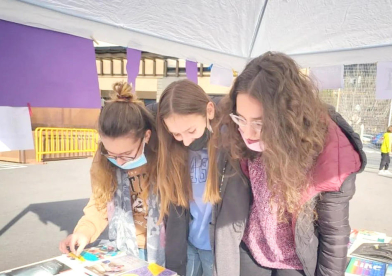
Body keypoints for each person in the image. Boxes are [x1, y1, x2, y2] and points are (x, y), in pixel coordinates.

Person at [220, 52, 366, 276]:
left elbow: (334, 235)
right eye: (241, 119)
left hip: (298, 259)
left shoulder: (329, 151)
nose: (247, 134)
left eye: (259, 123)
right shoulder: (240, 139)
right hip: (253, 249)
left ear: (287, 118)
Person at [59, 82, 164, 265]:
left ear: (146, 137)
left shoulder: (164, 157)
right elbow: (99, 203)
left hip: (164, 249)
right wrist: (84, 232)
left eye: (126, 154)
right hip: (123, 248)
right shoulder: (103, 161)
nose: (120, 161)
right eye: (112, 155)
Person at [156, 80, 251, 276]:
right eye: (176, 134)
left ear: (209, 111)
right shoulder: (175, 151)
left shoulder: (230, 146)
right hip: (188, 243)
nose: (187, 140)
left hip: (217, 248)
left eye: (191, 131)